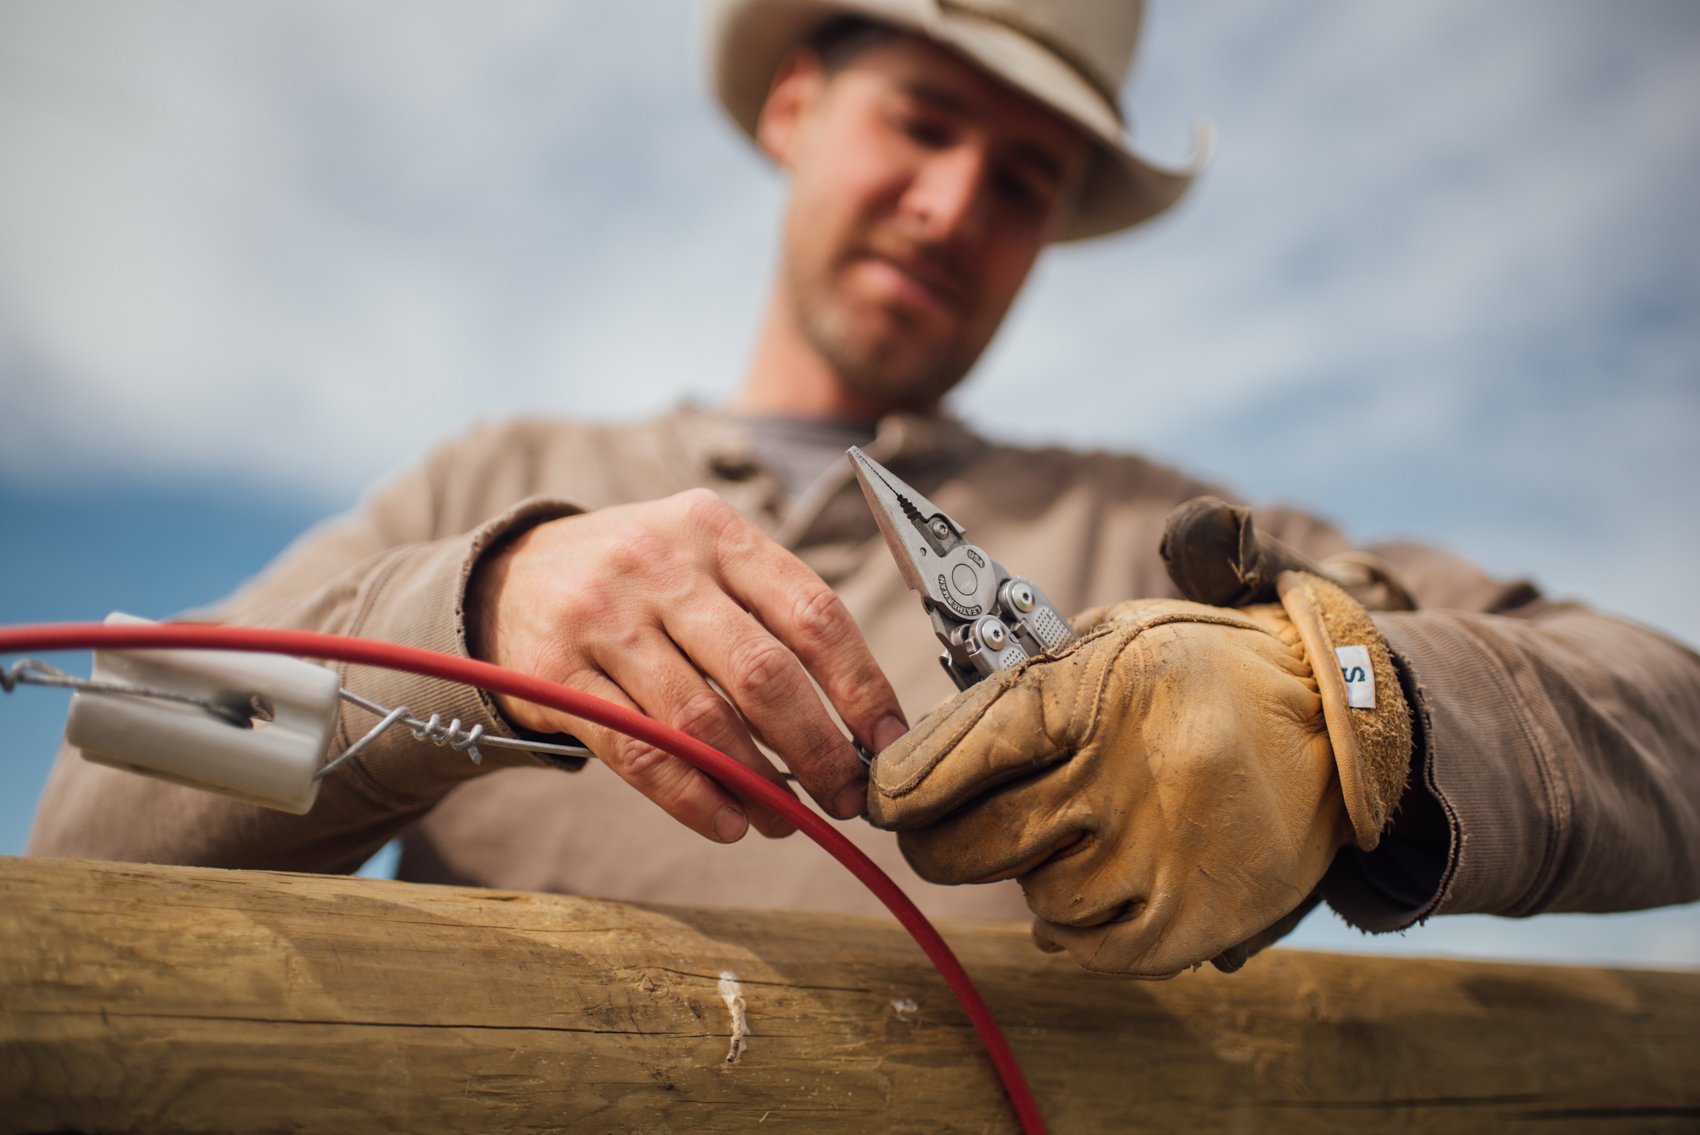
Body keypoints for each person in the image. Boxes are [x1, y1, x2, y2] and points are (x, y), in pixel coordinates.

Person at [29, 0, 1700, 977]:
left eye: (1023, 178)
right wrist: (465, 606)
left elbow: (1667, 719)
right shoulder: (501, 478)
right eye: (922, 121)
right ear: (798, 105)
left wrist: (1337, 706)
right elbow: (102, 816)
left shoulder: (1169, 545)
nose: (954, 202)